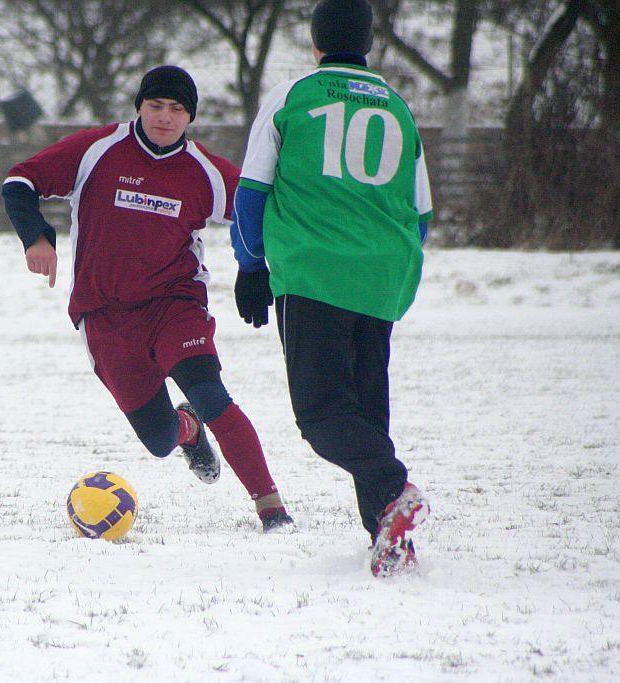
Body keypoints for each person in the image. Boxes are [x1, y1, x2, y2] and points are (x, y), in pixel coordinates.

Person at [2, 65, 293, 532]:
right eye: (156, 106)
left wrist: (255, 267)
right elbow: (19, 182)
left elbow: (265, 210)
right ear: (139, 106)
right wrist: (36, 236)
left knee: (212, 394)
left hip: (174, 304)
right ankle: (187, 430)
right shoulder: (97, 150)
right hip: (104, 315)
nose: (165, 118)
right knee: (159, 440)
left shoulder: (205, 171)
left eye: (177, 109)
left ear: (189, 117)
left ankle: (271, 508)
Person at [230, 0, 432, 575]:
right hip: (383, 278)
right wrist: (390, 263)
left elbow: (251, 192)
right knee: (367, 416)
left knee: (320, 417)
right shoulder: (397, 107)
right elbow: (421, 214)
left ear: (315, 41)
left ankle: (396, 491)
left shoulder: (295, 96)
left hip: (315, 273)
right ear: (367, 41)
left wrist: (251, 267)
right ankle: (390, 539)